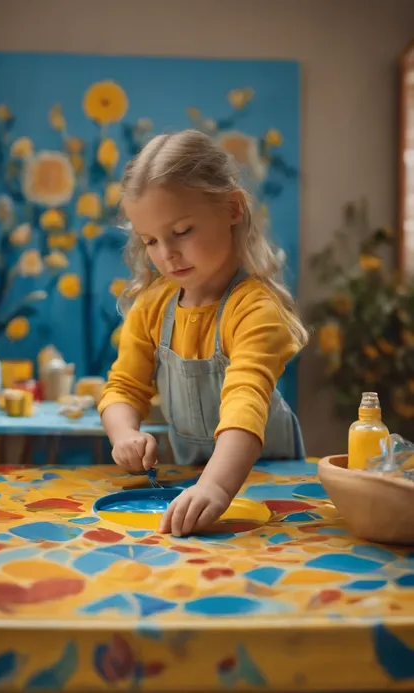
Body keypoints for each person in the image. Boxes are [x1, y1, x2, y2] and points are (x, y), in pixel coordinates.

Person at [99, 129, 308, 536]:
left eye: (181, 232)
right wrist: (123, 434)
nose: (166, 254)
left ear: (232, 208)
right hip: (197, 488)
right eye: (151, 241)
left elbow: (245, 400)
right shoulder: (152, 306)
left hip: (272, 487)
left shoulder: (256, 309)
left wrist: (215, 485)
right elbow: (123, 387)